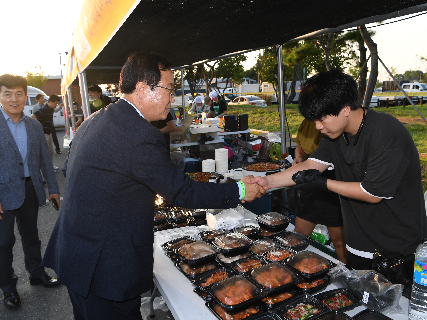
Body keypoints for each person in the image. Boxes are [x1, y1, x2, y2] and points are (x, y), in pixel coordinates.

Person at [41, 52, 264, 320]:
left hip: (77, 252)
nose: (172, 98)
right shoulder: (138, 133)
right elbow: (182, 191)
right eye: (169, 90)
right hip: (103, 267)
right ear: (143, 88)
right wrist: (240, 190)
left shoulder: (98, 118)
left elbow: (71, 170)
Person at [247, 69, 427, 271]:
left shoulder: (385, 134)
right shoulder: (335, 135)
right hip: (359, 243)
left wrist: (323, 183)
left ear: (345, 108)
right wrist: (268, 182)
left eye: (321, 119)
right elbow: (311, 164)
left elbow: (372, 193)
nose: (317, 127)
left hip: (396, 248)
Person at [0, 74, 61, 310]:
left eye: (18, 93)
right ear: (1, 95)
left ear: (25, 96)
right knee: (4, 243)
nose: (13, 99)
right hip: (3, 193)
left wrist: (53, 189)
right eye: (7, 93)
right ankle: (8, 287)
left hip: (30, 188)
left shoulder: (34, 125)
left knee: (31, 236)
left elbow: (45, 160)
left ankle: (36, 273)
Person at [293, 118, 347, 263]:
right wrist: (299, 157)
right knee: (298, 237)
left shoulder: (336, 121)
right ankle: (293, 268)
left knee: (339, 241)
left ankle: (346, 274)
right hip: (310, 178)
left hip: (334, 179)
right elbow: (300, 146)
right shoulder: (306, 123)